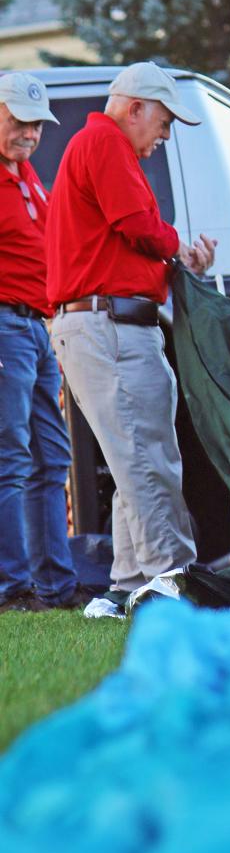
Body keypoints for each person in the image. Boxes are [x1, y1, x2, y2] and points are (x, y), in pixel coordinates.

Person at [46, 62, 217, 618]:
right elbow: (139, 225)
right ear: (136, 107)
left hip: (108, 323)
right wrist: (178, 247)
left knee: (134, 459)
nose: (163, 137)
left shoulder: (100, 144)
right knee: (145, 459)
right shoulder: (105, 140)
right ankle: (174, 578)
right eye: (164, 122)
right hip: (107, 327)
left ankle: (125, 586)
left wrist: (175, 257)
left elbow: (130, 244)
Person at [0, 73, 80, 613]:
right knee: (9, 457)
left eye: (35, 124)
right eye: (17, 120)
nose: (28, 133)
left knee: (52, 457)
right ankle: (12, 587)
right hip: (5, 324)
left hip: (37, 326)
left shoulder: (29, 177)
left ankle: (57, 586)